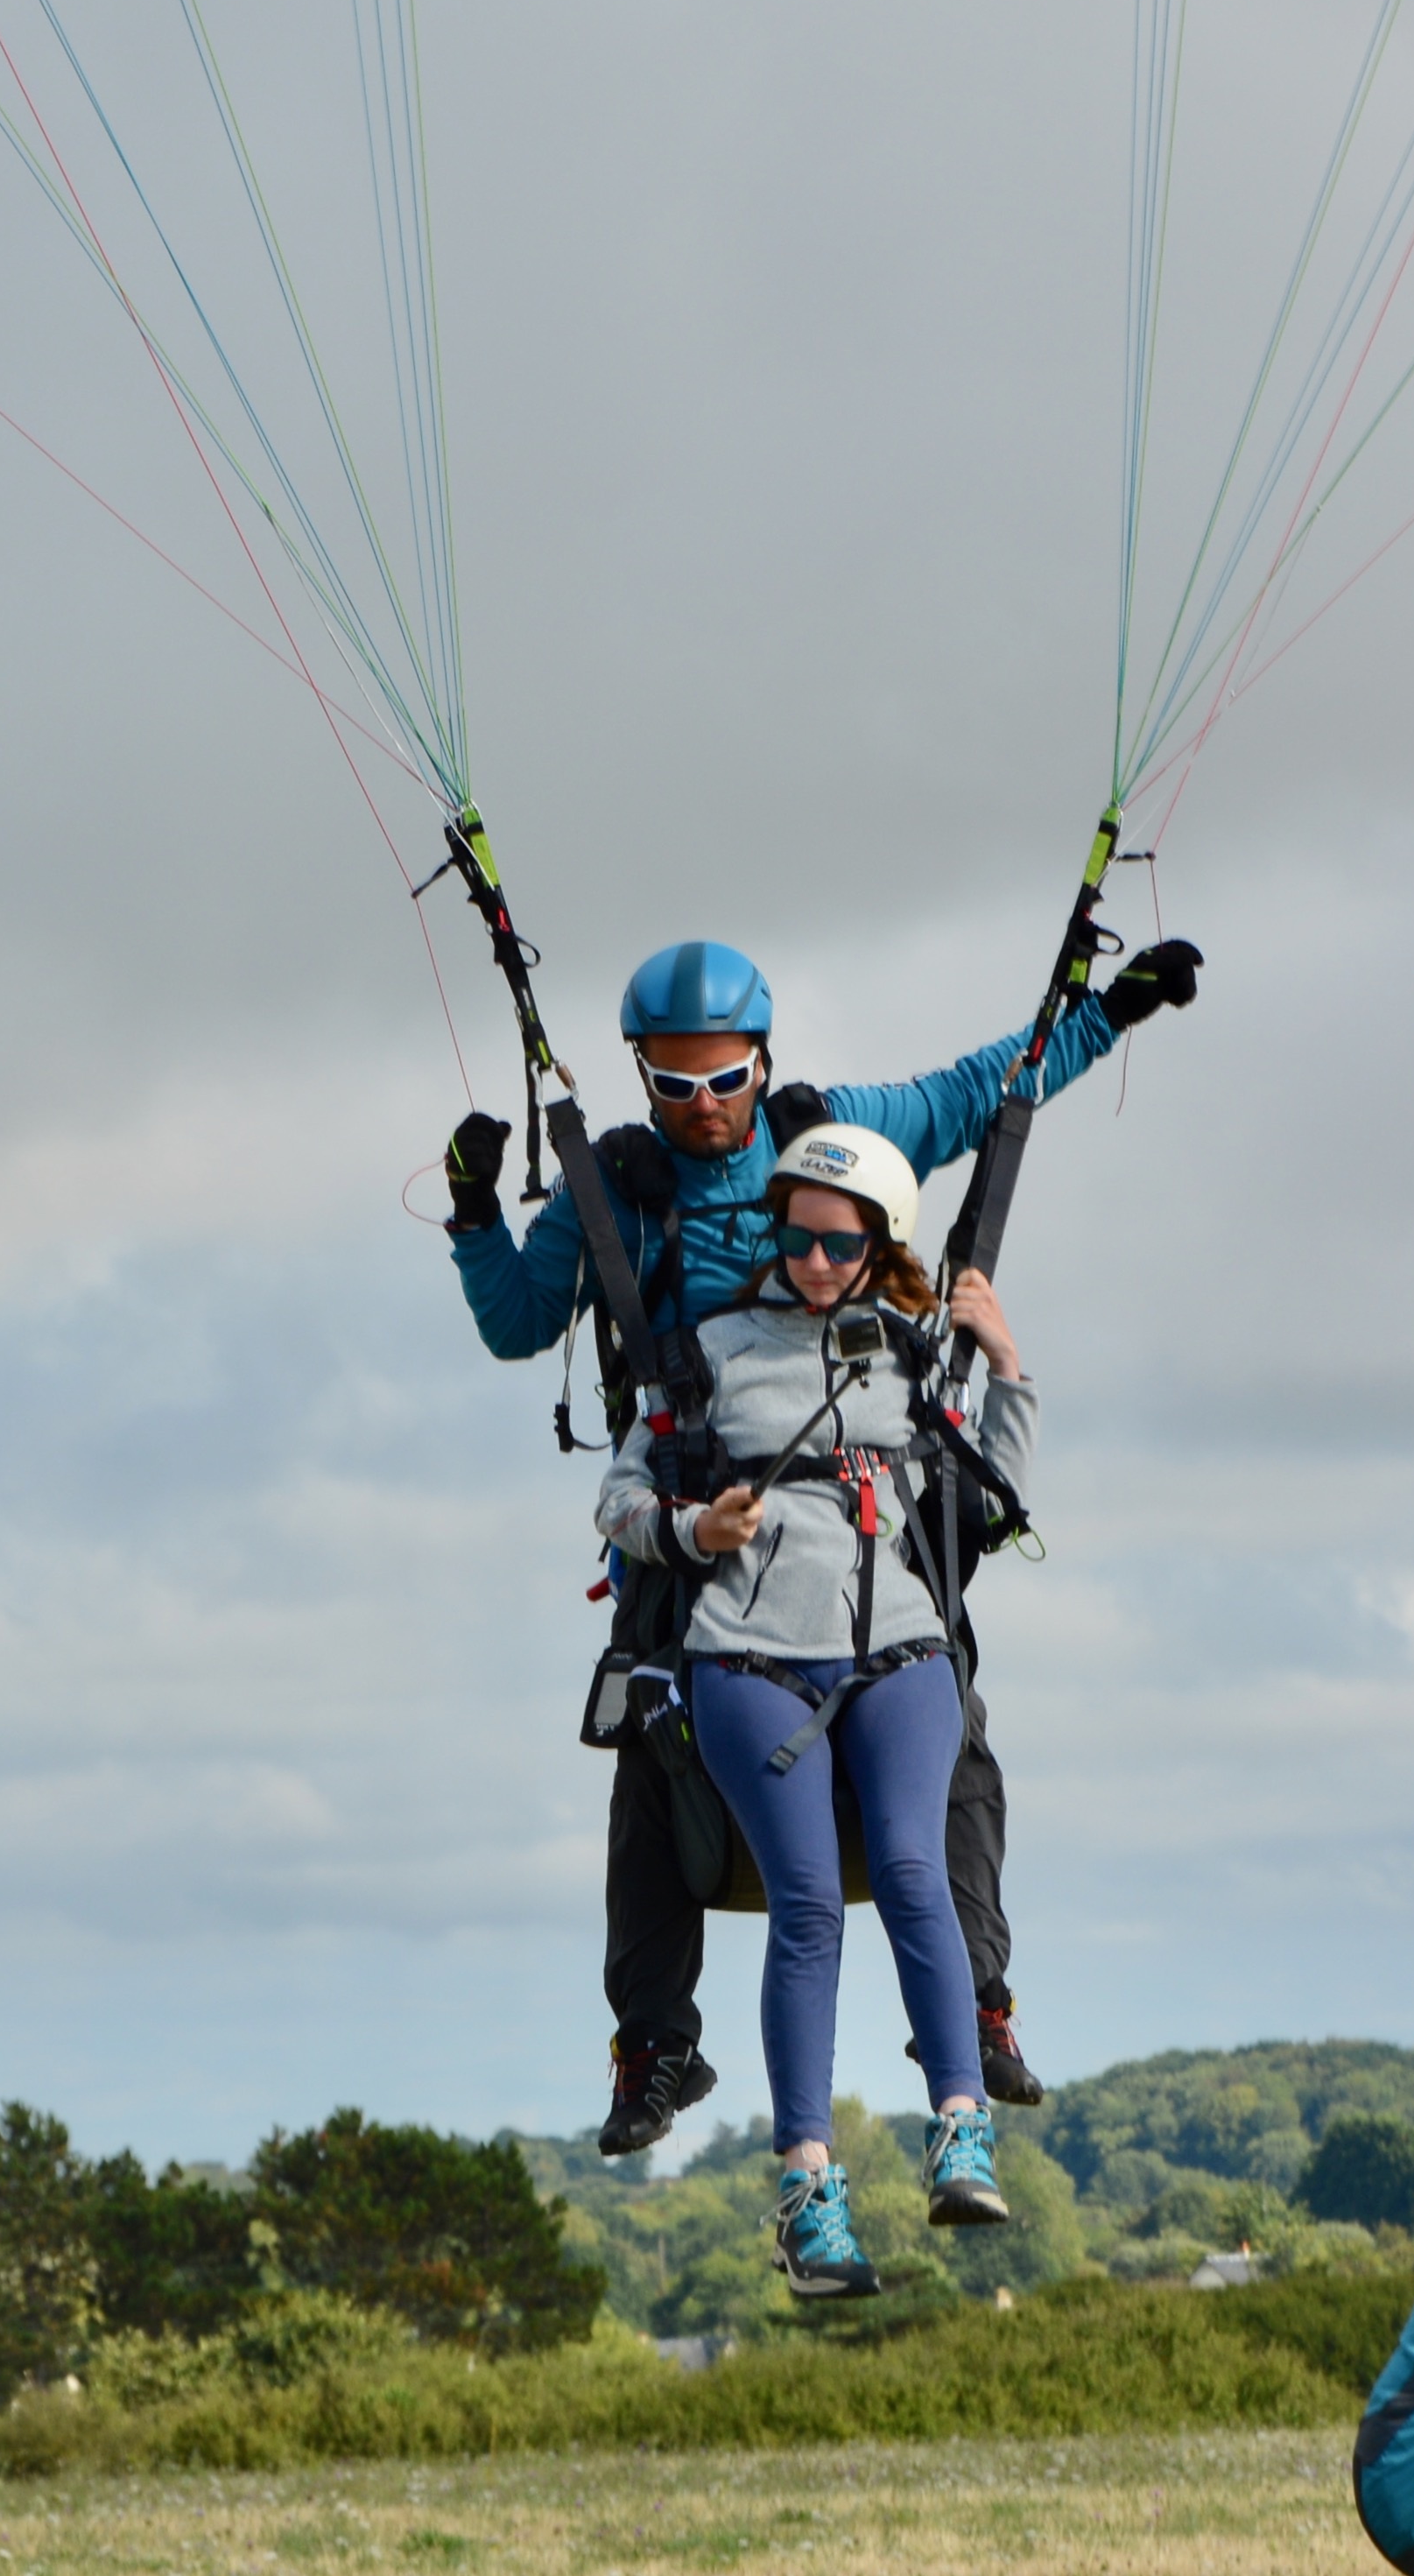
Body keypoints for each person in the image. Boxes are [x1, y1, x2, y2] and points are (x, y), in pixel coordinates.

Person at [443, 931, 1199, 2150]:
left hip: (857, 1500)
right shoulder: (617, 1196)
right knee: (641, 1756)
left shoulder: (827, 1137)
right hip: (699, 1514)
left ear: (760, 1058)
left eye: (723, 1077)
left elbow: (977, 1093)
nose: (702, 1107)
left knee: (950, 1728)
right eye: (674, 1085)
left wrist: (1106, 1012)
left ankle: (980, 2000)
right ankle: (655, 2047)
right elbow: (516, 1321)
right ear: (643, 1077)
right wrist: (477, 1211)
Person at [594, 1122, 1032, 2298]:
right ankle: (806, 2195)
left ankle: (959, 2129)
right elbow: (619, 1499)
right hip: (743, 1655)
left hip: (896, 1649)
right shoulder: (706, 1353)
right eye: (793, 1234)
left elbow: (994, 1497)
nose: (814, 1256)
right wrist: (696, 1530)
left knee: (907, 1866)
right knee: (805, 1906)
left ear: (874, 1241)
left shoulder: (908, 1353)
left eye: (837, 1240)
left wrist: (1008, 1367)